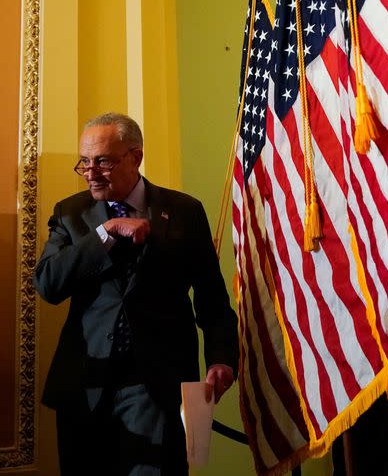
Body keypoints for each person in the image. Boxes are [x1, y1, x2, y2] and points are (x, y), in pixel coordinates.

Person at [34, 112, 239, 475]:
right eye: (84, 161)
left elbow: (211, 294)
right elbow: (49, 284)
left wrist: (221, 357)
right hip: (85, 386)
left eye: (103, 161)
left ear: (135, 157)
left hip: (159, 387)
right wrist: (106, 233)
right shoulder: (71, 213)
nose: (90, 172)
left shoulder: (184, 211)